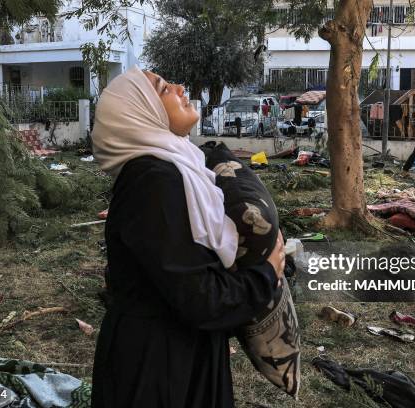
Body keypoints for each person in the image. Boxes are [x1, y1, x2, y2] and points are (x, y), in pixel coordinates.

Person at [90, 66, 286, 408]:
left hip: (177, 351)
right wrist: (267, 273)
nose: (181, 87)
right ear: (140, 111)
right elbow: (200, 297)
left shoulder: (173, 169)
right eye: (164, 88)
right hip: (158, 369)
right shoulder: (153, 181)